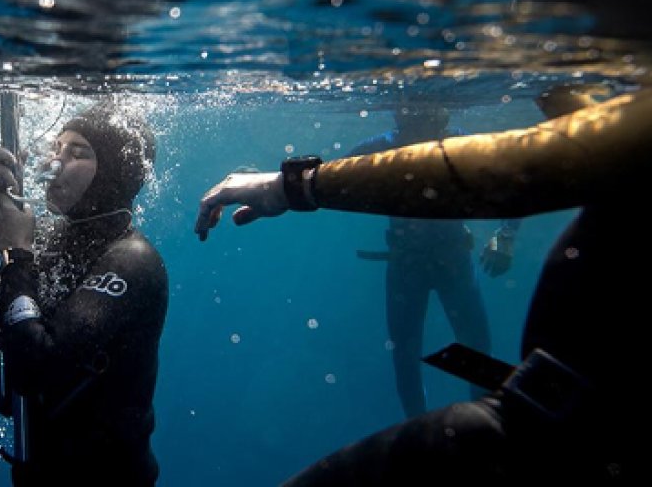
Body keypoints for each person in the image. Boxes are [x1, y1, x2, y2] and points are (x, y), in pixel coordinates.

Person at [194, 83, 647, 484]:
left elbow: (531, 164)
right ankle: (426, 413)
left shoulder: (451, 143)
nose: (420, 114)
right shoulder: (391, 143)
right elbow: (578, 149)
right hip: (550, 411)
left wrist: (293, 187)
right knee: (410, 352)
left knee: (467, 344)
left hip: (541, 408)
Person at [0, 101, 168, 486]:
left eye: (78, 153)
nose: (54, 162)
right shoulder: (40, 237)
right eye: (56, 148)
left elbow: (35, 372)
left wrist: (17, 255)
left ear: (114, 173)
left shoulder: (132, 261)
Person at [346, 101, 519, 417]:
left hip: (434, 263)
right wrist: (505, 236)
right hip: (426, 264)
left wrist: (506, 236)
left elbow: (513, 182)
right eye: (414, 117)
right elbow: (320, 176)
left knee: (463, 352)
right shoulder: (385, 146)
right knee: (411, 355)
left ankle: (483, 429)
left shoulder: (397, 146)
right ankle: (425, 431)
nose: (420, 125)